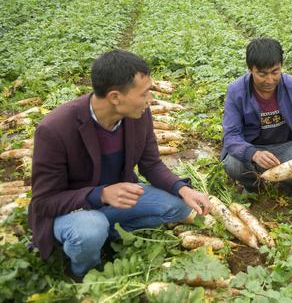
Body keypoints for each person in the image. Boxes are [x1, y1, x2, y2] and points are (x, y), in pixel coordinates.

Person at [28, 50, 211, 280]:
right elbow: (45, 202)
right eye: (145, 94)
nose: (150, 100)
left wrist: (183, 189)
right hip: (73, 211)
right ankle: (84, 275)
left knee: (180, 206)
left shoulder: (137, 114)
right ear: (115, 97)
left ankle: (109, 235)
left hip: (114, 202)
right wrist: (101, 194)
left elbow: (151, 164)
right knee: (90, 229)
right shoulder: (54, 129)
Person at [222, 38, 292, 195]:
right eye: (262, 74)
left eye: (275, 72)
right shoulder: (236, 91)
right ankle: (253, 186)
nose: (269, 80)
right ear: (250, 70)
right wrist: (253, 153)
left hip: (286, 147)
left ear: (281, 67)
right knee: (233, 164)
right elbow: (231, 136)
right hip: (252, 146)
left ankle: (289, 186)